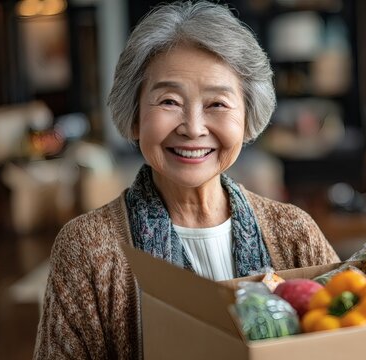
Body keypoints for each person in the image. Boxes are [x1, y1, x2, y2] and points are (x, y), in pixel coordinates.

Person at [33, 1, 340, 358]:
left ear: (248, 117)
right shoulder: (86, 249)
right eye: (169, 101)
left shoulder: (295, 232)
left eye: (217, 104)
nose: (193, 128)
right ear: (134, 116)